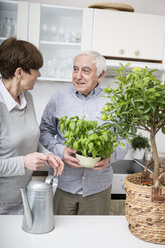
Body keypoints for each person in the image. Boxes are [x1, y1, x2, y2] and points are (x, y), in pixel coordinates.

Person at [40, 50, 130, 215]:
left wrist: (111, 156)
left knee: (92, 238)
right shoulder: (58, 98)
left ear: (101, 75)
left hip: (98, 188)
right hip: (63, 184)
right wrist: (61, 151)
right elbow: (44, 131)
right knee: (60, 237)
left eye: (85, 71)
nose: (78, 76)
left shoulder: (114, 101)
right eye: (75, 69)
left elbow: (126, 137)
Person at [0, 37, 64, 215]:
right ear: (19, 72)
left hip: (22, 197)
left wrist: (48, 155)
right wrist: (24, 162)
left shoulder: (27, 98)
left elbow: (31, 139)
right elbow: (23, 160)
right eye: (36, 69)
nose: (39, 74)